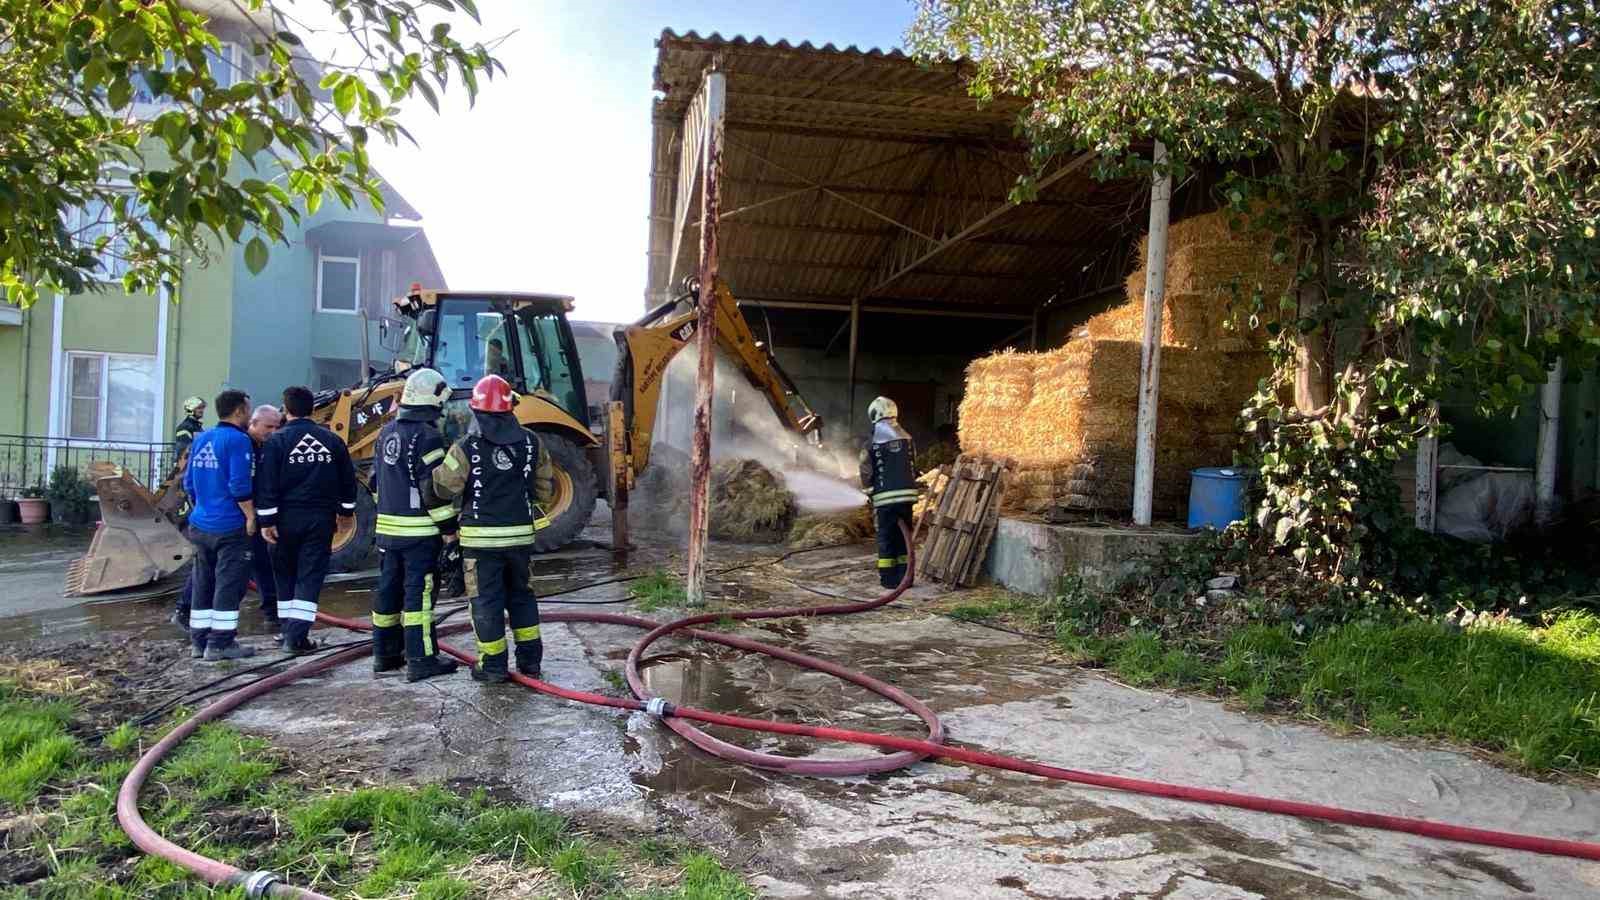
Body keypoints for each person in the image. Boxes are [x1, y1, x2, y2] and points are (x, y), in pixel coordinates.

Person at [432, 374, 554, 683]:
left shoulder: (467, 446)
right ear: (509, 408)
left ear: (476, 411)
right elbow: (545, 490)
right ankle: (531, 664)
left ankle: (493, 666)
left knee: (486, 603)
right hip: (520, 539)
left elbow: (445, 487)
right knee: (522, 598)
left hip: (481, 542)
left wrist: (432, 476)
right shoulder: (532, 442)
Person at [371, 368, 460, 682]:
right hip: (419, 535)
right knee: (418, 598)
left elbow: (374, 483)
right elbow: (432, 491)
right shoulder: (427, 436)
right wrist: (450, 532)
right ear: (432, 400)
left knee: (387, 593)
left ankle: (384, 655)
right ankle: (421, 660)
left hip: (387, 532)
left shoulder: (386, 432)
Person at [258, 386, 356, 655]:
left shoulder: (276, 442)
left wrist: (266, 521)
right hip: (319, 520)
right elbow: (348, 481)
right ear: (312, 408)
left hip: (283, 520)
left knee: (285, 575)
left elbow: (266, 484)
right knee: (309, 576)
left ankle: (290, 632)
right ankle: (296, 636)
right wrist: (346, 514)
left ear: (285, 409)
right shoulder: (332, 441)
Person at [182, 389, 257, 661]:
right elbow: (239, 484)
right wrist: (250, 516)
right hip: (229, 527)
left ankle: (199, 641)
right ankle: (221, 643)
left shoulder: (203, 439)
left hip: (200, 525)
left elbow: (188, 483)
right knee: (228, 583)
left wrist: (204, 506)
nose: (249, 414)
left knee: (203, 582)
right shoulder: (238, 441)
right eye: (248, 409)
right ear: (239, 411)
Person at [858, 396, 918, 588]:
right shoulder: (908, 439)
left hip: (885, 499)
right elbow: (913, 464)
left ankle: (889, 580)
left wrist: (869, 492)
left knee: (886, 537)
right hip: (908, 497)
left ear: (874, 415)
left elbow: (865, 470)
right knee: (904, 538)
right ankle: (905, 578)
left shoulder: (871, 443)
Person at [246, 404, 284, 630]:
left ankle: (271, 610)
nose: (273, 431)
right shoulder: (244, 445)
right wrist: (250, 516)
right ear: (253, 423)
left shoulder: (264, 447)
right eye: (268, 426)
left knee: (261, 563)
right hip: (243, 517)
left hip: (257, 517)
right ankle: (185, 608)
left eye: (276, 427)